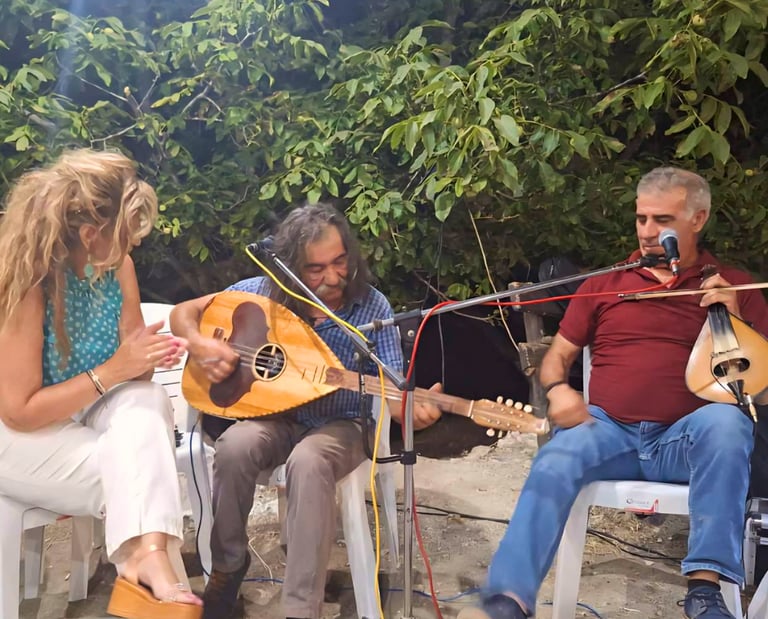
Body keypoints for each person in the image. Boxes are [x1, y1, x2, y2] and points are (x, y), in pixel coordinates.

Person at [459, 167, 768, 619]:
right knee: (556, 456)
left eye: (661, 220)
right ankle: (510, 598)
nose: (647, 232)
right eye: (641, 219)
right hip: (608, 430)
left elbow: (758, 388)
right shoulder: (605, 287)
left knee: (727, 424)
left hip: (685, 439)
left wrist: (734, 316)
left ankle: (704, 589)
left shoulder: (733, 285)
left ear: (697, 219)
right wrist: (557, 389)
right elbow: (557, 357)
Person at [170, 202, 443, 619]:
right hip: (275, 416)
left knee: (309, 461)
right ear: (291, 268)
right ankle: (227, 566)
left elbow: (390, 389)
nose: (333, 277)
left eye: (340, 262)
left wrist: (408, 409)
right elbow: (183, 312)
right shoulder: (260, 293)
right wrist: (200, 343)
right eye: (316, 269)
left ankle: (301, 609)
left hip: (343, 423)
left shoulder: (371, 306)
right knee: (233, 447)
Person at [0, 149, 203, 619]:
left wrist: (145, 360)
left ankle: (144, 561)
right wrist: (114, 369)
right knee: (141, 478)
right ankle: (152, 567)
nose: (132, 247)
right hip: (16, 437)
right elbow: (19, 411)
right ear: (91, 234)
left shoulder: (118, 270)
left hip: (86, 418)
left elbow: (133, 375)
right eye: (127, 236)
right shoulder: (28, 282)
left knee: (146, 398)